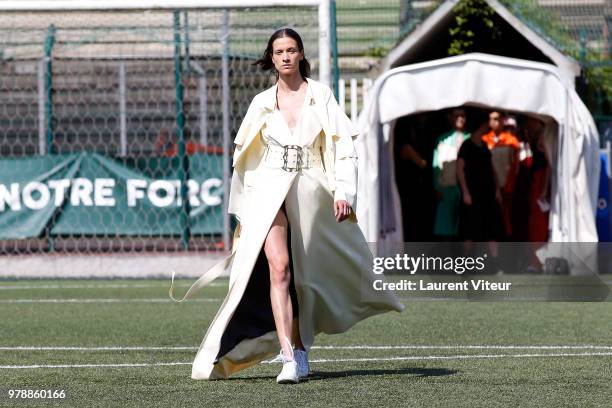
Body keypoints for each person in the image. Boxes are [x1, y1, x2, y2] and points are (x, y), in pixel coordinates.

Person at [167, 28, 404, 384]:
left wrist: (344, 193)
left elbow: (343, 148)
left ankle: (302, 348)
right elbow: (245, 161)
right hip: (268, 191)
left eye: (292, 50)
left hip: (312, 191)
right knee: (278, 269)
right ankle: (288, 357)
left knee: (308, 278)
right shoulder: (261, 102)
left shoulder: (320, 95)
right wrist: (245, 212)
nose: (286, 57)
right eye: (279, 51)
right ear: (272, 57)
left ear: (301, 54)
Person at [456, 123, 505, 272]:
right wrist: (465, 192)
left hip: (488, 194)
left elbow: (491, 168)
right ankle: (465, 264)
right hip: (473, 195)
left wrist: (497, 189)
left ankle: (495, 265)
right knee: (469, 231)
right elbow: (460, 169)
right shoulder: (466, 146)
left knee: (492, 230)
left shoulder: (484, 145)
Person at [431, 108, 470, 240]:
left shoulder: (469, 138)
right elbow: (436, 165)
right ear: (450, 118)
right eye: (456, 115)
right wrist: (436, 187)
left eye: (463, 115)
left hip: (466, 188)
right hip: (446, 187)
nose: (460, 118)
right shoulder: (442, 139)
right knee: (446, 228)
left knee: (464, 226)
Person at [481, 111, 520, 239]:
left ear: (503, 120)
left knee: (508, 219)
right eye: (491, 119)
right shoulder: (485, 140)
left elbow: (516, 166)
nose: (494, 122)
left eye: (497, 119)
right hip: (489, 187)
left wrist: (511, 185)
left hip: (507, 186)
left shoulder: (512, 141)